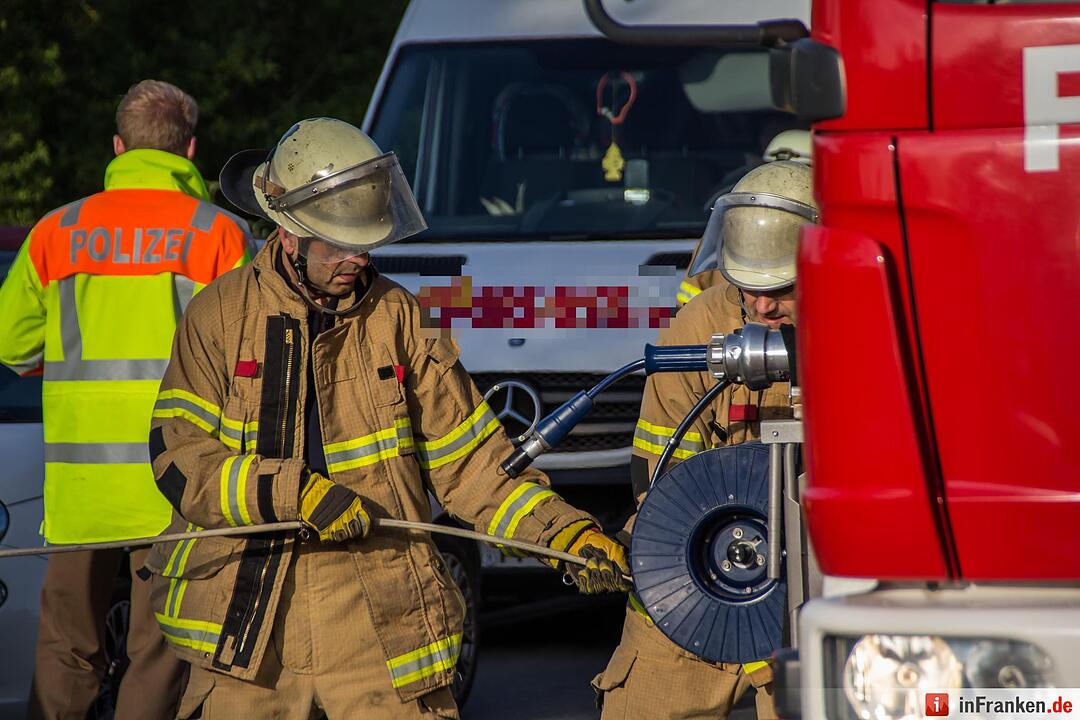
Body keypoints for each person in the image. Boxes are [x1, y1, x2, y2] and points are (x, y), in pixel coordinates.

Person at [145, 117, 629, 719]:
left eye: (366, 242)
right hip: (249, 626)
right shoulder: (218, 316)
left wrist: (561, 532)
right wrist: (295, 495)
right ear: (289, 232)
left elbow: (475, 465)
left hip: (378, 618)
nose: (357, 258)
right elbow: (178, 458)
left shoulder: (398, 319)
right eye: (339, 243)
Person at [0, 79, 252, 719]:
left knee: (65, 643)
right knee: (161, 647)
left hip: (81, 490)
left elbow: (13, 345)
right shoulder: (219, 234)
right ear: (190, 149)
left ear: (118, 146)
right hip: (175, 477)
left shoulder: (57, 231)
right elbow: (247, 358)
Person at [592, 161, 817, 719]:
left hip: (816, 587)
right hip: (702, 571)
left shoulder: (869, 326)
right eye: (748, 287)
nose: (761, 307)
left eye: (781, 288)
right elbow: (663, 489)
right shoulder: (697, 330)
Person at [677, 129, 812, 307]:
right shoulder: (724, 241)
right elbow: (689, 309)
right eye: (768, 173)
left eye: (794, 176)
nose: (777, 185)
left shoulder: (828, 242)